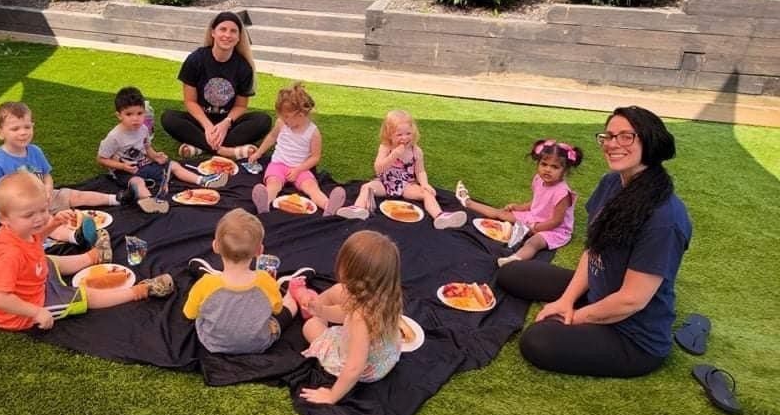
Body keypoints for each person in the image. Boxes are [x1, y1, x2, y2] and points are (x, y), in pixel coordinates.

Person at [496, 106, 692, 378]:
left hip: (633, 336)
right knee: (511, 273)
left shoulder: (665, 218)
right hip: (599, 289)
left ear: (649, 142)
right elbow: (594, 249)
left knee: (537, 341)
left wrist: (574, 317)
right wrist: (566, 300)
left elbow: (631, 301)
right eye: (608, 136)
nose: (612, 144)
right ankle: (582, 304)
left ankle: (585, 316)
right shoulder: (611, 183)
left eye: (626, 136)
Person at [0, 171, 174, 331]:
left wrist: (54, 223)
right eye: (29, 215)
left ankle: (94, 256)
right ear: (3, 218)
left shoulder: (18, 231)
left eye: (43, 210)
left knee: (48, 260)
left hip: (33, 279)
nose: (39, 219)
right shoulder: (8, 255)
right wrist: (36, 312)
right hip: (23, 310)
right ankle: (140, 290)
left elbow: (36, 240)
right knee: (85, 296)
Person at [0, 101, 116, 248]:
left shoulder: (35, 151)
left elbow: (46, 175)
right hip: (21, 210)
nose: (23, 132)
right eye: (15, 129)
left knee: (74, 195)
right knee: (45, 223)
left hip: (44, 198)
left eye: (27, 127)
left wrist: (47, 189)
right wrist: (18, 199)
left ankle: (116, 198)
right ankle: (76, 237)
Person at [297, 230, 403, 405]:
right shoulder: (386, 292)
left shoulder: (359, 318)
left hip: (368, 368)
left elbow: (354, 367)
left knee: (310, 327)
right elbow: (345, 312)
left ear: (349, 271)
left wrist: (331, 396)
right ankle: (319, 309)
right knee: (335, 294)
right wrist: (321, 310)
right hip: (387, 355)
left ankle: (321, 328)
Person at [182, 208, 301, 354]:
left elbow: (189, 314)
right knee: (289, 307)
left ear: (215, 246)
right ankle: (292, 290)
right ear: (259, 251)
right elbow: (277, 309)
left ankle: (209, 271)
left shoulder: (205, 284)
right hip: (258, 344)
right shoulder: (265, 281)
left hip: (213, 343)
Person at [97, 86, 228, 214]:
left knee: (173, 165)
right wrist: (122, 166)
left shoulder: (143, 129)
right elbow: (101, 159)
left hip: (143, 164)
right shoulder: (114, 137)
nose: (135, 118)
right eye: (129, 114)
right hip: (124, 172)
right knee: (137, 182)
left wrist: (155, 156)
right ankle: (149, 201)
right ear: (119, 115)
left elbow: (146, 147)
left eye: (139, 113)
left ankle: (203, 180)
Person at [160, 12, 272, 160]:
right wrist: (207, 126)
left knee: (263, 120)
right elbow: (190, 101)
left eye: (233, 31)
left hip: (229, 124)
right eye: (223, 29)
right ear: (213, 32)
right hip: (200, 121)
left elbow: (240, 106)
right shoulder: (196, 59)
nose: (227, 35)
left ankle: (199, 147)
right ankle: (226, 151)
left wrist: (225, 124)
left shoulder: (244, 67)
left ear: (239, 37)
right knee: (169, 118)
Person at [456, 139, 583, 267]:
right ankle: (468, 202)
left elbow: (556, 221)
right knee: (502, 214)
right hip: (534, 217)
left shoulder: (562, 193)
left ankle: (513, 259)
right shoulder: (538, 180)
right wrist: (519, 207)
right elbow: (537, 202)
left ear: (565, 170)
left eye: (555, 167)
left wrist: (535, 228)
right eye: (544, 164)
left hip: (553, 229)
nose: (547, 169)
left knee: (533, 242)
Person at [335, 110, 467, 229]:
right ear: (389, 135)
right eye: (399, 135)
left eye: (408, 133)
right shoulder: (385, 147)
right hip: (385, 183)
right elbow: (378, 169)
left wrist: (425, 184)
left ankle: (440, 216)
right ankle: (358, 209)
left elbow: (420, 171)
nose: (404, 138)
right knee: (366, 187)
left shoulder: (416, 151)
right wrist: (393, 155)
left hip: (406, 185)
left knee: (427, 194)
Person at [248, 82, 346, 216]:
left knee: (312, 187)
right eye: (281, 116)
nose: (283, 119)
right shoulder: (281, 123)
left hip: (300, 168)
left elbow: (315, 157)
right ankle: (264, 204)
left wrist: (298, 169)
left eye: (286, 117)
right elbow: (272, 137)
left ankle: (328, 206)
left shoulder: (313, 133)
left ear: (300, 115)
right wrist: (259, 153)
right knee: (273, 184)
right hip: (278, 164)